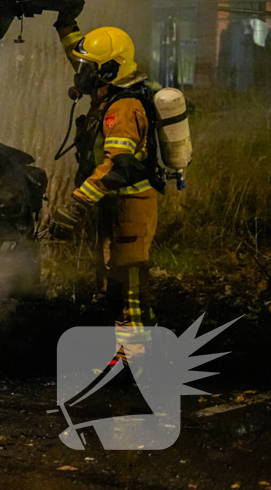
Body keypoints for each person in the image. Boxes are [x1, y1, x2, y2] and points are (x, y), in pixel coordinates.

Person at [49, 19, 162, 344]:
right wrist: (65, 23)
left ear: (110, 70)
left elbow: (119, 167)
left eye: (89, 69)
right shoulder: (108, 89)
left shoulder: (124, 108)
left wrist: (76, 204)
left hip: (131, 208)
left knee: (129, 287)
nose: (80, 75)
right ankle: (126, 351)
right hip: (116, 206)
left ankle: (139, 361)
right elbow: (81, 57)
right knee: (114, 282)